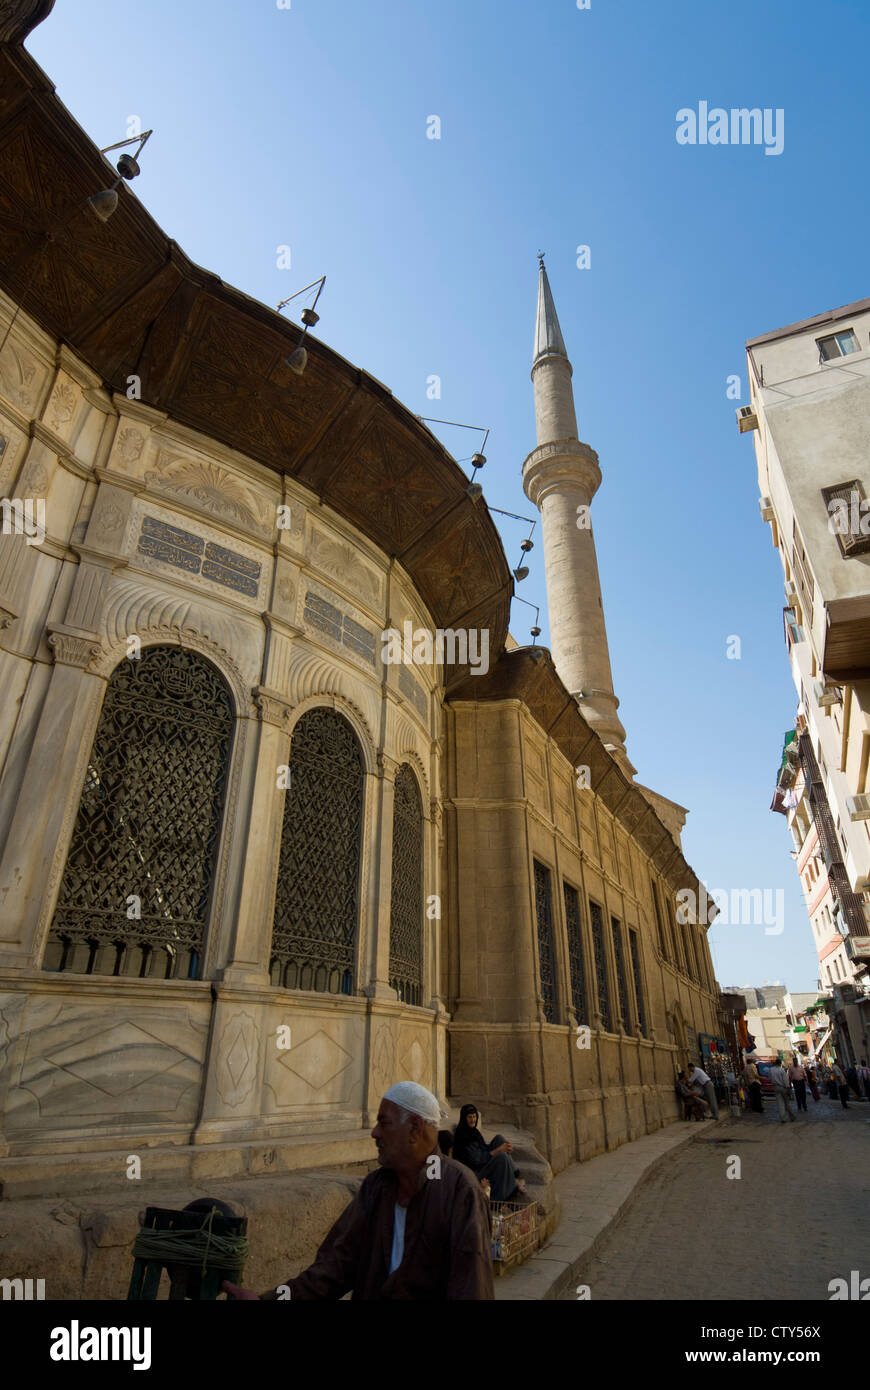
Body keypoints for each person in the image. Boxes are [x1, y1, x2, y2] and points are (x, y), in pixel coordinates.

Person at [222, 1082, 494, 1300]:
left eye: (383, 1123)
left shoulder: (460, 1191)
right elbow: (332, 1270)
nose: (374, 1133)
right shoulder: (375, 1188)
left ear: (414, 1129)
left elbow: (471, 1286)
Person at [452, 1103, 527, 1200]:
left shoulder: (474, 1132)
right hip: (474, 1173)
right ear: (464, 1118)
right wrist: (499, 1150)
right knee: (501, 1157)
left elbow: (483, 1148)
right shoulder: (462, 1136)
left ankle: (514, 1178)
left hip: (481, 1165)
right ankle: (510, 1189)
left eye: (474, 1117)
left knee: (499, 1139)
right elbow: (477, 1160)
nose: (472, 1120)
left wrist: (505, 1147)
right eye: (469, 1117)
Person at [768, 1059, 797, 1123]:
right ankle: (792, 1116)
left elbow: (769, 1078)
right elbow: (785, 1080)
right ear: (780, 1063)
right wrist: (788, 1088)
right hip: (783, 1087)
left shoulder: (771, 1070)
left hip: (775, 1087)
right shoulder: (781, 1070)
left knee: (780, 1103)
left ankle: (783, 1118)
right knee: (787, 1103)